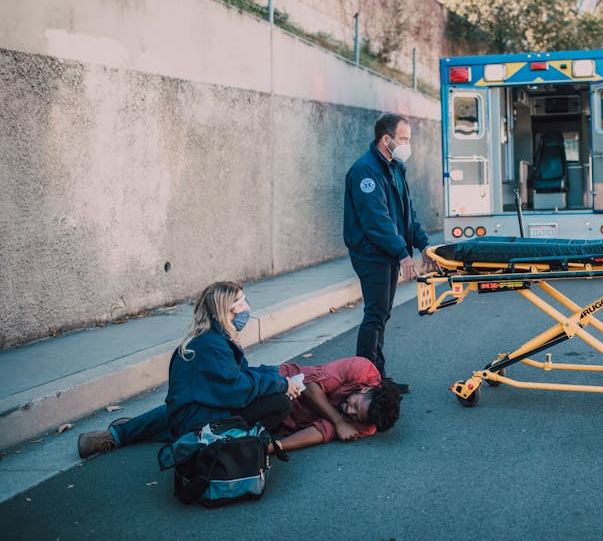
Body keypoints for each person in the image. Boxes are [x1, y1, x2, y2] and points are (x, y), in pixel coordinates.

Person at [77, 281, 303, 456]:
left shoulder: (211, 338)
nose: (248, 308)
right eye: (241, 303)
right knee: (279, 403)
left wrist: (275, 374)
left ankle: (118, 434)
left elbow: (239, 375)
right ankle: (235, 441)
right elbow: (238, 390)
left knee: (179, 412)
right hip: (195, 419)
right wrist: (281, 383)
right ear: (226, 311)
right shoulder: (213, 346)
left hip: (189, 409)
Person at [78, 356, 402, 457]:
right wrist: (339, 419)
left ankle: (148, 433)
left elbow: (324, 431)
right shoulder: (361, 369)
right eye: (354, 405)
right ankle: (118, 435)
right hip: (276, 385)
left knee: (215, 428)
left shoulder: (369, 421)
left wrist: (275, 447)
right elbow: (310, 386)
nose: (349, 412)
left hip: (280, 422)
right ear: (366, 389)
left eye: (354, 417)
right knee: (208, 410)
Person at [343, 113, 434, 394]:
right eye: (404, 138)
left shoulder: (394, 168)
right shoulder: (365, 171)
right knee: (375, 315)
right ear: (387, 139)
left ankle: (376, 377)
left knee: (381, 314)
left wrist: (424, 245)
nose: (408, 144)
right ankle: (365, 381)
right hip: (372, 253)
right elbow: (376, 221)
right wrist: (402, 254)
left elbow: (408, 214)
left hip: (387, 252)